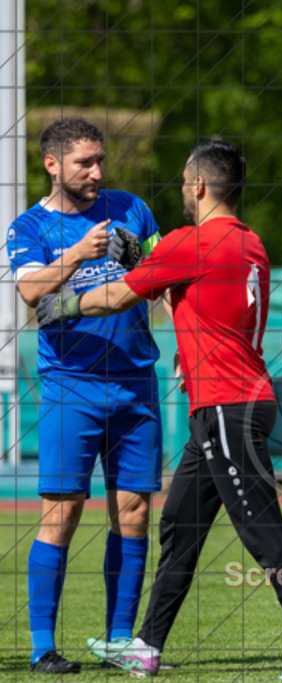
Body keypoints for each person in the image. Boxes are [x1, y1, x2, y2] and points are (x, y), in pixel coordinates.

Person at [36, 140, 282, 679]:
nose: (180, 190)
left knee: (262, 529)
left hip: (227, 406)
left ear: (199, 186)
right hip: (235, 402)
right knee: (179, 524)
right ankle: (146, 645)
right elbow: (198, 299)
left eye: (182, 181)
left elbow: (119, 297)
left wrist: (63, 305)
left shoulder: (192, 242)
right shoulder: (251, 243)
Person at [7, 118, 163, 675]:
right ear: (53, 165)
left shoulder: (132, 207)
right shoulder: (29, 227)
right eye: (84, 163)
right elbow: (30, 291)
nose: (97, 172)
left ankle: (122, 641)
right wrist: (77, 254)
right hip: (70, 386)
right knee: (63, 513)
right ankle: (44, 647)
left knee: (135, 511)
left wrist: (141, 260)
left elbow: (162, 274)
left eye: (100, 161)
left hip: (137, 382)